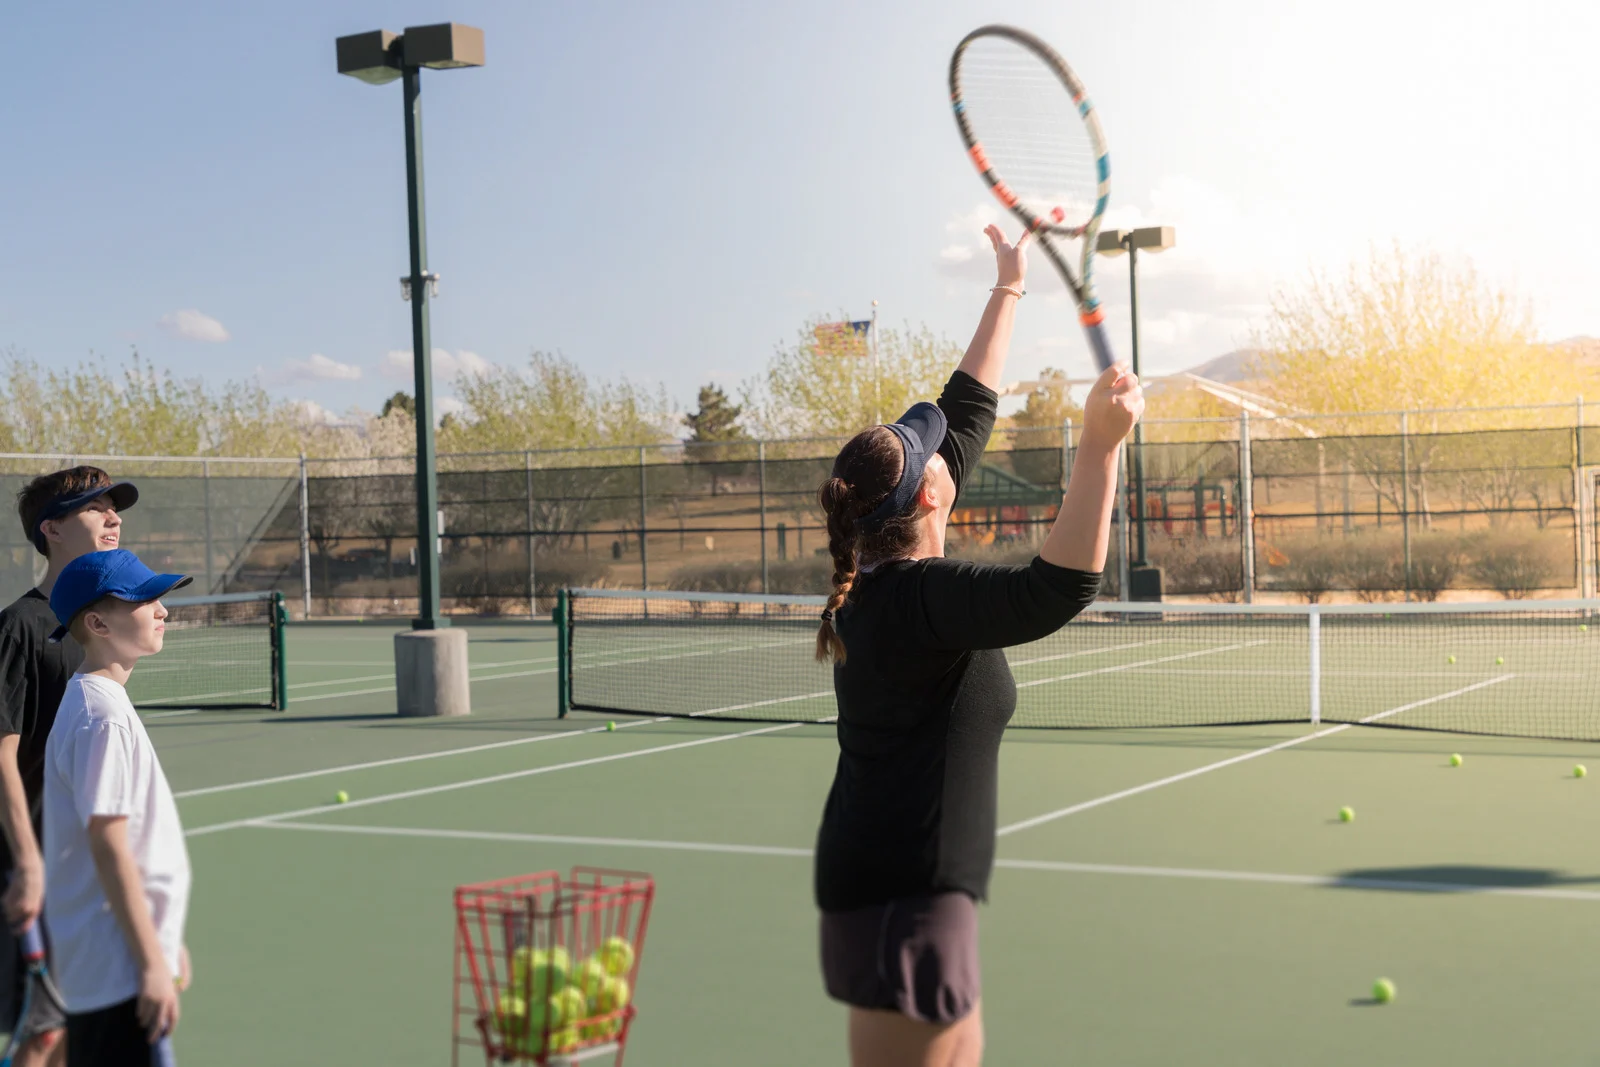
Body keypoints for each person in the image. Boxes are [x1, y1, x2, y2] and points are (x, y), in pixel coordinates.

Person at [813, 224, 1143, 1067]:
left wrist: (1010, 284)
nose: (949, 448)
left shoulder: (892, 581)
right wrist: (1099, 447)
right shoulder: (917, 601)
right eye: (936, 458)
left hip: (905, 894)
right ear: (932, 491)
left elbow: (963, 413)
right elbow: (1056, 587)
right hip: (900, 901)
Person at [0, 468, 137, 1066]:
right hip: (37, 864)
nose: (114, 518)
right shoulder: (21, 626)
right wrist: (27, 863)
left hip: (85, 865)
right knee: (45, 1030)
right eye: (95, 509)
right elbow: (1, 751)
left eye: (114, 508)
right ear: (52, 530)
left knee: (73, 1023)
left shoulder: (101, 625)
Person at [42, 549, 193, 1066]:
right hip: (118, 973)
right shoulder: (100, 716)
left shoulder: (99, 703)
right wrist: (151, 959)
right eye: (145, 600)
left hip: (119, 964)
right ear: (98, 622)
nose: (162, 610)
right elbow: (108, 844)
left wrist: (164, 937)